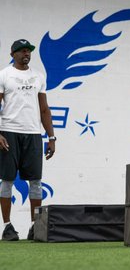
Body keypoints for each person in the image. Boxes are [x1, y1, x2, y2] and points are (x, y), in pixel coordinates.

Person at [0, 39, 56, 241]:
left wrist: (51, 137)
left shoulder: (38, 77)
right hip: (9, 132)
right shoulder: (4, 75)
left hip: (33, 134)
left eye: (29, 51)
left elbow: (44, 109)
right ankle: (7, 227)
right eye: (22, 51)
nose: (27, 54)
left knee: (36, 182)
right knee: (6, 180)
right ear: (13, 54)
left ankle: (35, 226)